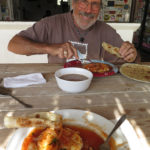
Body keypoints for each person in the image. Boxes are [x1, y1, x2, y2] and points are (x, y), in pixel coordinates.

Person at [8, 0, 138, 64]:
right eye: (84, 2)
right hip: (56, 85)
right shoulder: (51, 23)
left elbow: (128, 63)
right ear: (73, 3)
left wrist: (132, 55)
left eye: (95, 4)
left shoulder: (106, 31)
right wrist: (50, 48)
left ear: (100, 9)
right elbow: (13, 45)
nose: (88, 10)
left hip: (92, 87)